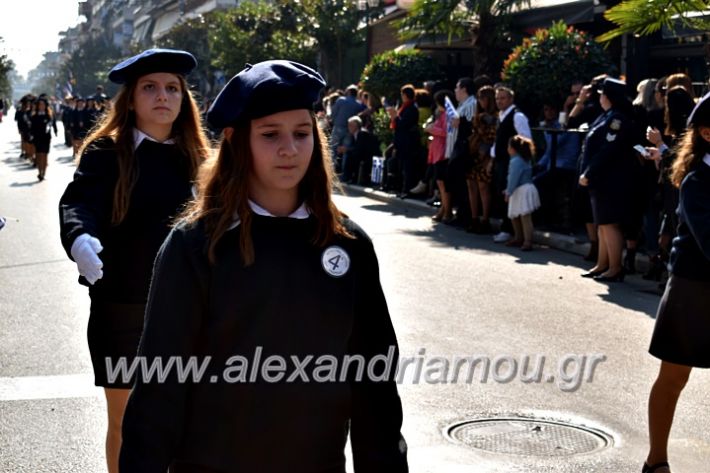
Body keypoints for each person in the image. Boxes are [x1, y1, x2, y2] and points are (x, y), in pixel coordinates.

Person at [119, 59, 408, 473]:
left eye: (302, 133)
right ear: (237, 142)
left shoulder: (349, 244)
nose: (289, 148)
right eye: (270, 135)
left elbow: (374, 383)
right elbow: (159, 386)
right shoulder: (195, 246)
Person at [58, 48, 209, 473]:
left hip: (188, 309)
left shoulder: (201, 157)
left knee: (187, 418)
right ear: (131, 98)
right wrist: (80, 237)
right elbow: (79, 202)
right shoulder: (106, 152)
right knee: (126, 419)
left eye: (172, 88)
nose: (162, 96)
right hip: (122, 306)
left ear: (183, 99)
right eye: (150, 87)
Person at [642, 91, 710, 473]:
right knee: (673, 378)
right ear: (707, 132)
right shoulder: (698, 180)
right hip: (693, 288)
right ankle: (656, 461)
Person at [579, 78, 635, 282]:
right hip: (601, 180)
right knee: (602, 223)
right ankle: (602, 264)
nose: (600, 97)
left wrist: (589, 172)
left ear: (610, 97)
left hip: (609, 179)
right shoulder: (606, 116)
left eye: (603, 94)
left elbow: (607, 150)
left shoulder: (616, 119)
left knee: (609, 223)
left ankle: (615, 267)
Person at [490, 85, 531, 242]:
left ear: (511, 99)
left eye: (503, 98)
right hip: (501, 161)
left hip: (512, 162)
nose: (499, 101)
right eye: (497, 98)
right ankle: (510, 230)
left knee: (509, 195)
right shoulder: (501, 115)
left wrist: (518, 161)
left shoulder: (517, 116)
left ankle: (509, 230)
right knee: (502, 194)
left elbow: (525, 139)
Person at [466, 85, 498, 234]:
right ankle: (474, 218)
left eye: (483, 98)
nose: (481, 101)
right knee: (471, 186)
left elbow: (493, 136)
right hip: (474, 153)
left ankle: (485, 219)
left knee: (483, 187)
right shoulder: (478, 114)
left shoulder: (496, 116)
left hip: (487, 154)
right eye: (479, 98)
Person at [504, 135, 540, 250]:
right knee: (515, 214)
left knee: (524, 216)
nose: (508, 149)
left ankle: (527, 241)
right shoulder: (524, 159)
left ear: (513, 149)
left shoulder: (516, 161)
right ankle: (518, 237)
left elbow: (513, 178)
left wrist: (508, 192)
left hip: (522, 189)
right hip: (520, 189)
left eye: (509, 146)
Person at [387, 84, 420, 199]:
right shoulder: (405, 107)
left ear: (405, 95)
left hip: (408, 142)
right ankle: (400, 188)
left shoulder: (412, 108)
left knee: (407, 168)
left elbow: (403, 124)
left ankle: (407, 190)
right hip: (401, 141)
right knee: (401, 166)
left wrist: (395, 116)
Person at [426, 89, 454, 222]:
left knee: (443, 185)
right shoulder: (442, 115)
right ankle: (443, 210)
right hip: (437, 153)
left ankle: (447, 212)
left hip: (442, 153)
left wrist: (431, 129)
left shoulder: (447, 115)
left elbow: (445, 132)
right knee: (441, 184)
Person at [338, 115, 380, 185]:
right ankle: (345, 175)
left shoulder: (362, 134)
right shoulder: (354, 135)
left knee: (350, 156)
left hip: (368, 155)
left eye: (351, 125)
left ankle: (348, 177)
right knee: (347, 154)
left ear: (356, 126)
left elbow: (360, 149)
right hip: (361, 153)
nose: (349, 128)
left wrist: (347, 150)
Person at [29, 96, 57, 181]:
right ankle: (39, 172)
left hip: (46, 138)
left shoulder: (49, 115)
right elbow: (32, 128)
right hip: (37, 138)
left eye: (43, 104)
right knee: (38, 155)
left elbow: (53, 124)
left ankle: (43, 172)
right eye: (40, 105)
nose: (41, 106)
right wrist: (31, 136)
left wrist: (55, 131)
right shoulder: (34, 116)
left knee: (44, 155)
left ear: (45, 106)